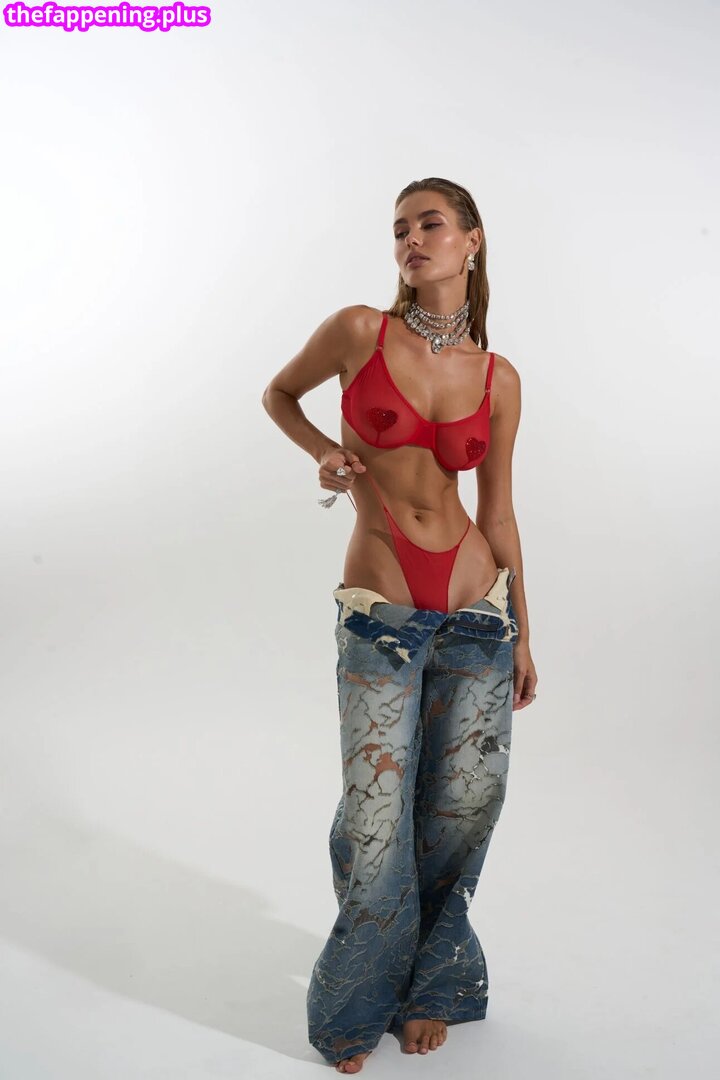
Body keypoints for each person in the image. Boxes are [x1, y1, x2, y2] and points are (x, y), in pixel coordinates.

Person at [261, 177, 538, 1073]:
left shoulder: (498, 378)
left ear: (472, 241)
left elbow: (499, 514)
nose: (410, 240)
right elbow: (279, 394)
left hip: (476, 607)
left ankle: (432, 986)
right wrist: (324, 453)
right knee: (376, 812)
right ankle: (358, 998)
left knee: (463, 806)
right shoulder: (359, 332)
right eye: (399, 229)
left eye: (430, 224)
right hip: (381, 604)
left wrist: (524, 631)